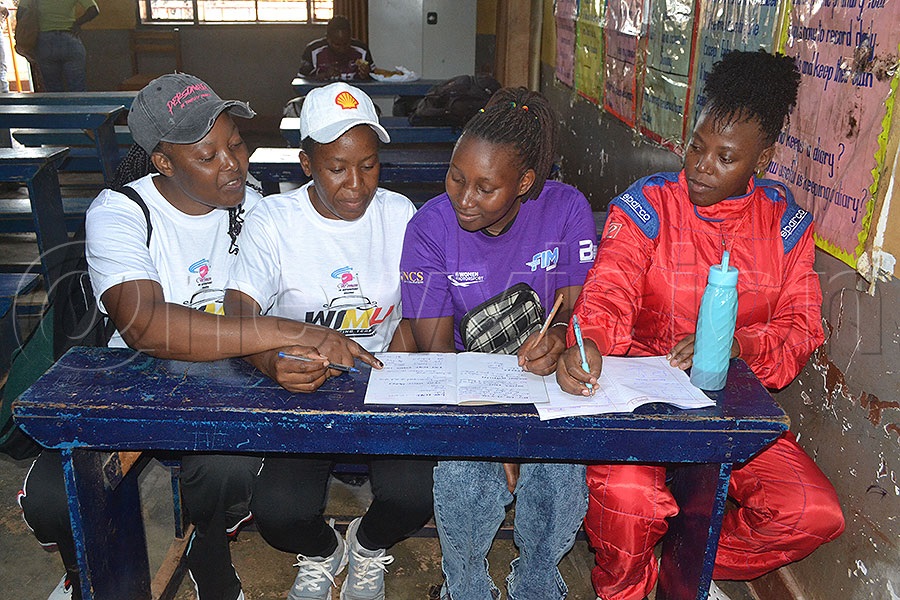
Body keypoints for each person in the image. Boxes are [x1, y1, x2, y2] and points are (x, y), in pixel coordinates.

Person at [17, 73, 379, 600]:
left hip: (224, 382)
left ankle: (208, 541)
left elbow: (279, 300)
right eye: (207, 156)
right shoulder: (122, 212)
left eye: (234, 143)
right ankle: (84, 570)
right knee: (54, 498)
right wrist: (291, 332)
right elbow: (144, 325)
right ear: (163, 163)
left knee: (230, 469)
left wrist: (272, 354)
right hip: (133, 385)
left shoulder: (255, 210)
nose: (231, 163)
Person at [556, 50, 845, 600]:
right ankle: (624, 588)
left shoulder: (784, 227)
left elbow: (801, 328)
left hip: (729, 409)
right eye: (697, 146)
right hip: (637, 396)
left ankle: (688, 564)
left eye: (725, 157)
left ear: (761, 159)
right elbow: (609, 292)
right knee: (630, 504)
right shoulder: (649, 207)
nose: (700, 166)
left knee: (809, 512)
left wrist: (737, 345)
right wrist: (588, 343)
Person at [224, 82, 433, 600]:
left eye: (369, 164)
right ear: (306, 163)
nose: (355, 184)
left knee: (416, 495)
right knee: (278, 514)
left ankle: (365, 542)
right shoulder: (274, 221)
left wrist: (402, 350)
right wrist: (271, 361)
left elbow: (418, 311)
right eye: (337, 167)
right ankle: (323, 550)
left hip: (382, 385)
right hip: (304, 389)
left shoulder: (400, 214)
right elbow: (238, 313)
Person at [399, 87, 597, 600]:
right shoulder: (429, 228)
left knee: (558, 470)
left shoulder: (566, 209)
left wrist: (557, 337)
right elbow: (438, 352)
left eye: (485, 188)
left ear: (524, 183)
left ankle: (535, 580)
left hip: (545, 387)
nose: (464, 198)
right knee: (465, 470)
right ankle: (464, 587)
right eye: (456, 177)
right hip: (469, 386)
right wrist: (501, 436)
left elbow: (581, 314)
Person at [32, 0, 98, 91]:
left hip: (45, 42)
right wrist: (77, 23)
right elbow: (94, 10)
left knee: (52, 88)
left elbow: (21, 12)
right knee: (77, 87)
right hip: (70, 39)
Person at [298, 15, 373, 81]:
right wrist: (324, 75)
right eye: (337, 44)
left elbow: (376, 79)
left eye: (346, 44)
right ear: (327, 39)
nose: (342, 49)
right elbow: (301, 81)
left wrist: (367, 75)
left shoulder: (362, 50)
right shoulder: (312, 50)